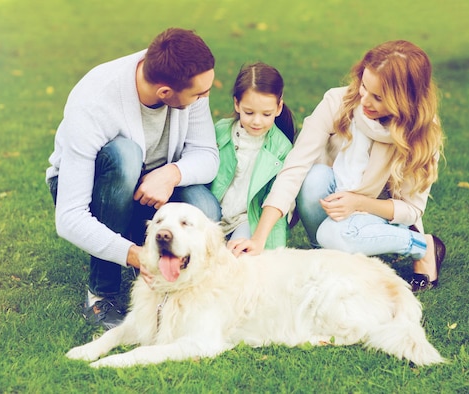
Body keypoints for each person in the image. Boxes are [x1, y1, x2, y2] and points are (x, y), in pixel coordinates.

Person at [229, 40, 446, 292]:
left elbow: (411, 210)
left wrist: (360, 203)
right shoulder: (337, 102)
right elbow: (294, 168)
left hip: (379, 215)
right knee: (313, 178)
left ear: (405, 100)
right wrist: (259, 238)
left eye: (378, 97)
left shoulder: (422, 131)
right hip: (336, 204)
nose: (364, 100)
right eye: (364, 86)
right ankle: (328, 256)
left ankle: (422, 245)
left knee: (333, 234)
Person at [45, 28, 221, 329]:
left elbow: (207, 155)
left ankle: (185, 283)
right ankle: (102, 293)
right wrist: (135, 255)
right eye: (200, 94)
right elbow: (70, 217)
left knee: (204, 208)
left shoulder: (185, 78)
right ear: (165, 93)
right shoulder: (93, 103)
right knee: (125, 156)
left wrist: (170, 174)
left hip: (153, 187)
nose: (206, 96)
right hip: (95, 187)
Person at [210, 63, 295, 248]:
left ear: (279, 108)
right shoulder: (221, 132)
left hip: (247, 219)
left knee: (237, 257)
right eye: (249, 112)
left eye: (266, 114)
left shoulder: (282, 149)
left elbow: (279, 196)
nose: (257, 121)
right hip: (213, 212)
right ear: (237, 104)